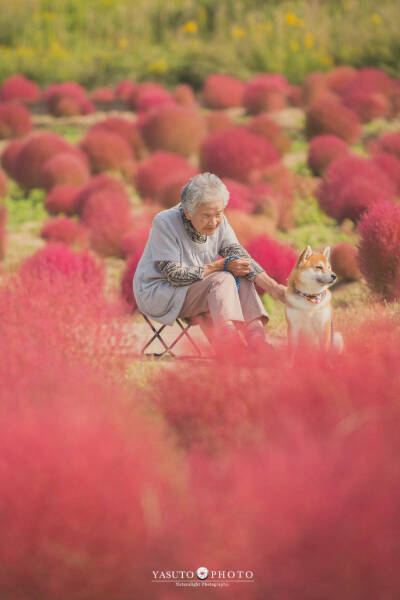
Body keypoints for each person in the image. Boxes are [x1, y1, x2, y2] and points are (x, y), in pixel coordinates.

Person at [133, 172, 286, 351]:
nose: (214, 222)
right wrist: (219, 265)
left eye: (218, 214)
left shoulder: (219, 220)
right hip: (161, 291)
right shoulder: (165, 223)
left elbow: (240, 257)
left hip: (198, 288)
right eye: (206, 216)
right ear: (188, 213)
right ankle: (229, 342)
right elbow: (174, 275)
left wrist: (274, 288)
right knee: (223, 277)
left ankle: (256, 339)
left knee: (239, 270)